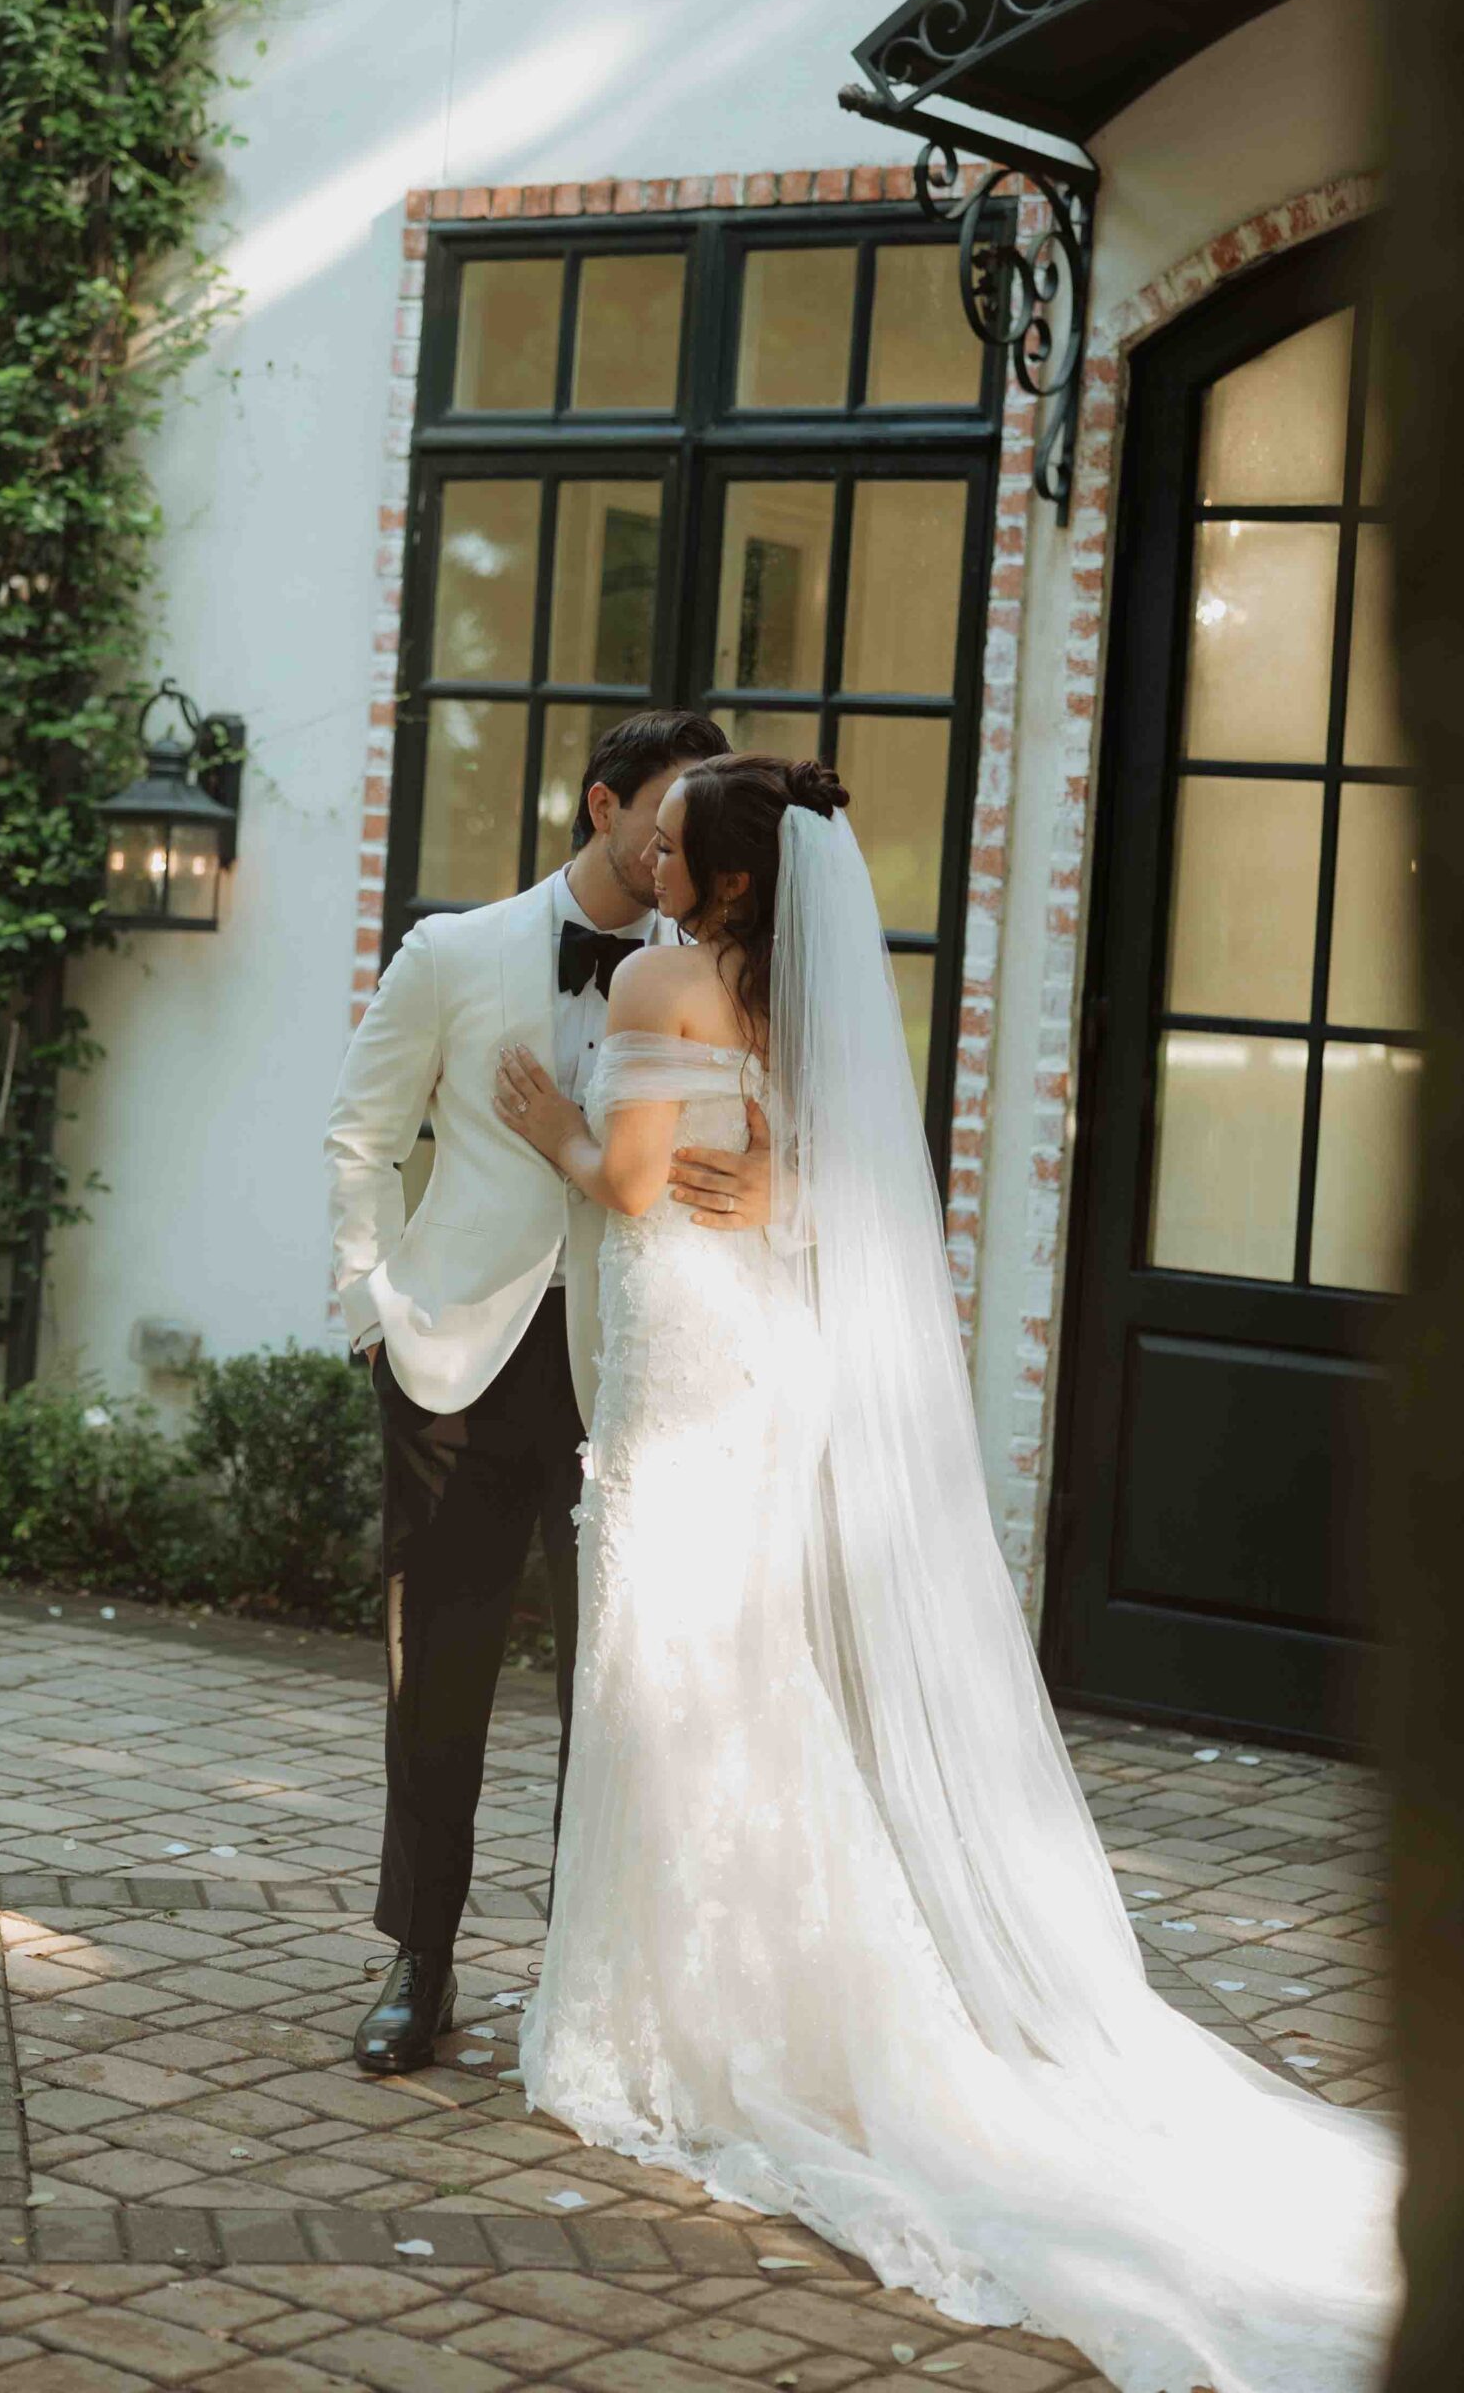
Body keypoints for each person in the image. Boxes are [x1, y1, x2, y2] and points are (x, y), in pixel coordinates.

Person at [492, 751, 1402, 2393]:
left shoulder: (656, 978)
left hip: (681, 1361)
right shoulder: (793, 1001)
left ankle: (677, 2017)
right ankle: (778, 1990)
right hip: (764, 1352)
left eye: (675, 849)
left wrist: (553, 1119)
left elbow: (626, 1186)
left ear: (729, 879)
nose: (650, 865)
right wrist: (765, 1181)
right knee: (748, 1665)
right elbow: (836, 1190)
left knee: (663, 1658)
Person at [324, 711, 774, 2073]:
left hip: (635, 1371)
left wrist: (776, 1183)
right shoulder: (452, 953)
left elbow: (798, 1141)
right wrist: (368, 1309)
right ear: (603, 806)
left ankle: (587, 1986)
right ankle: (419, 1961)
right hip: (453, 1363)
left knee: (618, 1694)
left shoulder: (728, 973)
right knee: (435, 1682)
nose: (677, 847)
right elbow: (361, 1134)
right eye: (664, 818)